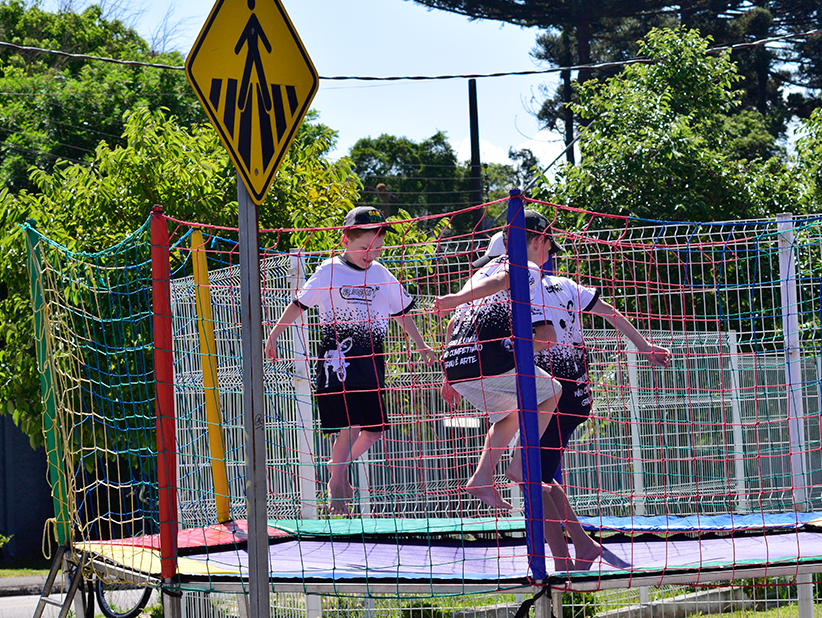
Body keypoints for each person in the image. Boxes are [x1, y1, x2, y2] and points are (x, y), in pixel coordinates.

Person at [466, 228, 673, 571]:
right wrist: (643, 346)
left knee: (533, 477)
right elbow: (609, 310)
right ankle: (579, 546)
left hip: (552, 396)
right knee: (539, 476)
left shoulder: (523, 290)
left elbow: (541, 335)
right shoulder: (564, 285)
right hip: (575, 394)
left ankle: (569, 555)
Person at [265, 206, 436, 515]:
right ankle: (337, 487)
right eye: (364, 247)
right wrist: (274, 335)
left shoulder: (381, 274)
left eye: (378, 248)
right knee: (350, 424)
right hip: (338, 359)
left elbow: (402, 313)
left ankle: (336, 467)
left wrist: (421, 344)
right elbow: (299, 305)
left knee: (374, 430)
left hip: (371, 362)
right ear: (345, 240)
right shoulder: (330, 270)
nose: (371, 254)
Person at [436, 210, 563, 513]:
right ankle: (520, 465)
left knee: (510, 414)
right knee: (553, 390)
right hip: (487, 358)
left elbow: (454, 323)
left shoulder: (480, 272)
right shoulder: (526, 266)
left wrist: (447, 375)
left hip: (457, 363)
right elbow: (504, 281)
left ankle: (481, 478)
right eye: (549, 247)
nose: (549, 255)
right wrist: (454, 298)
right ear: (539, 241)